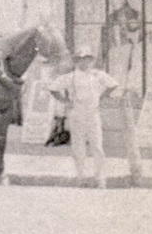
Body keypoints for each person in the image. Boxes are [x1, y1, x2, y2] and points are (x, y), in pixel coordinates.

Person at [47, 47, 119, 188]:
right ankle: (81, 178)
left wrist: (101, 97)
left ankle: (100, 178)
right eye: (82, 59)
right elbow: (53, 88)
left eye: (88, 59)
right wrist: (66, 101)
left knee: (97, 146)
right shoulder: (71, 76)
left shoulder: (97, 74)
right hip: (77, 113)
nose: (85, 62)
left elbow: (113, 84)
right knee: (78, 147)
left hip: (93, 113)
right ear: (77, 61)